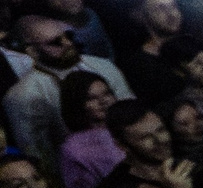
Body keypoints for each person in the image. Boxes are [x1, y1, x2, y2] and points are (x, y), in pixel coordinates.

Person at [6, 12, 131, 172]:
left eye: (69, 35)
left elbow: (130, 109)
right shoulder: (23, 95)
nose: (68, 43)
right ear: (32, 51)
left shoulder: (103, 66)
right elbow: (37, 152)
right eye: (55, 42)